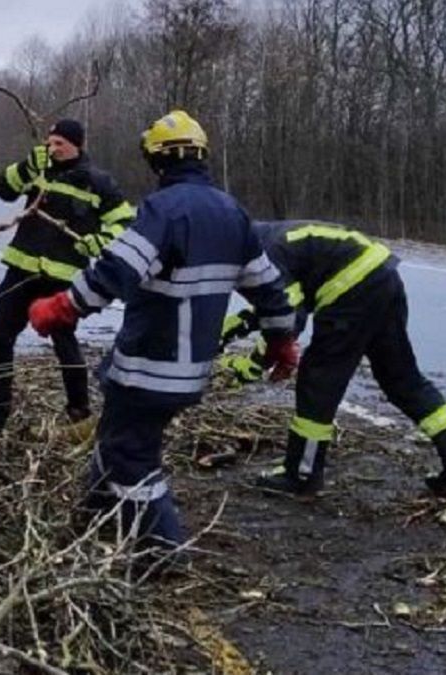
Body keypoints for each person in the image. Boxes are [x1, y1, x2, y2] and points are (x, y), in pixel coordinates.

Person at [28, 110, 299, 549]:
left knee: (132, 456)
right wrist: (281, 340)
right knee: (117, 436)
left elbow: (117, 271)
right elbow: (270, 289)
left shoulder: (163, 210)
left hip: (147, 366)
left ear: (156, 161)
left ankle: (161, 550)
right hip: (190, 371)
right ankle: (95, 515)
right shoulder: (233, 213)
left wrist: (62, 307)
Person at [219, 220, 446, 496]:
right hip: (382, 277)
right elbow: (276, 305)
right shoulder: (264, 239)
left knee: (318, 381)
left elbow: (285, 316)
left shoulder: (264, 255)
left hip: (348, 288)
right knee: (401, 379)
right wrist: (230, 331)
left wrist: (253, 364)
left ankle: (302, 473)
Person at [0, 119, 135, 433]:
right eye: (50, 142)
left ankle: (78, 411)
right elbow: (4, 189)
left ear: (76, 145)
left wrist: (99, 242)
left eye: (59, 144)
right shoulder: (38, 170)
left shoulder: (98, 182)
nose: (52, 149)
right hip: (22, 270)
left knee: (64, 343)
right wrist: (27, 166)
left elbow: (125, 223)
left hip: (61, 278)